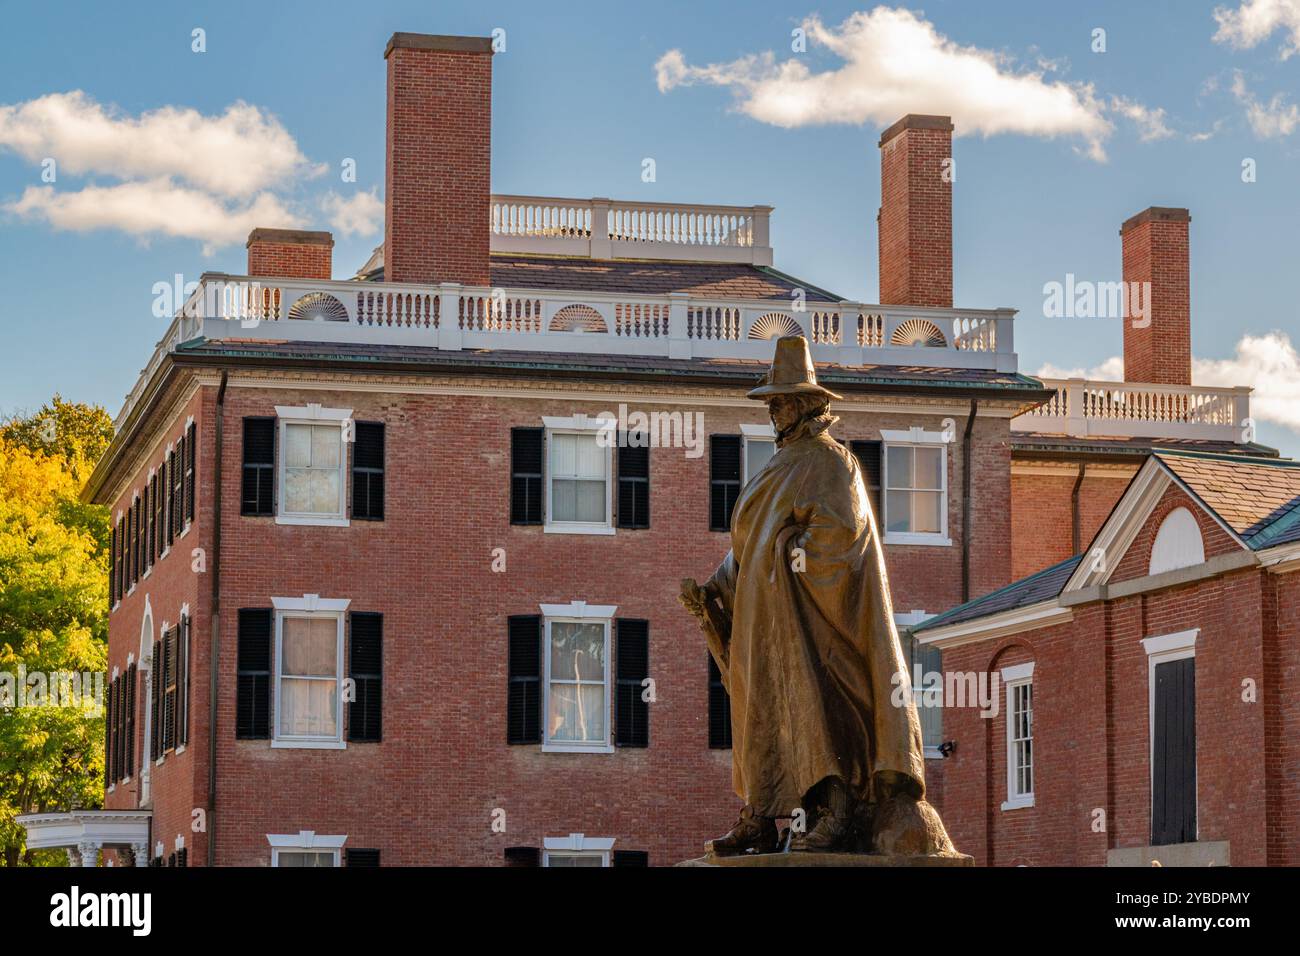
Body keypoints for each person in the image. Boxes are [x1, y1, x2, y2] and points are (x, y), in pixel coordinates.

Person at [680, 335, 953, 855]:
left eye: (781, 401)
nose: (774, 411)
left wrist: (789, 554)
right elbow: (749, 541)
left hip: (814, 621)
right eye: (770, 402)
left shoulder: (831, 463)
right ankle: (759, 815)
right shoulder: (778, 466)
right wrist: (716, 588)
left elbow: (840, 535)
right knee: (760, 710)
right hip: (766, 618)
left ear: (807, 404)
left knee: (816, 710)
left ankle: (833, 811)